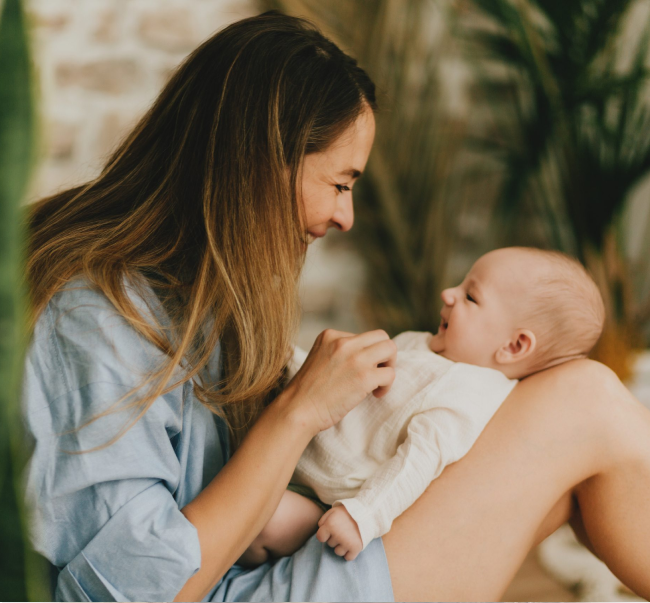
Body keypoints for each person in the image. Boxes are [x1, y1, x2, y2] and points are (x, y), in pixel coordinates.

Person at [20, 10, 650, 603]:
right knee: (586, 403)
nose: (345, 216)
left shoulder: (192, 290)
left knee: (575, 439)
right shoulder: (93, 316)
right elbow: (138, 591)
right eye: (341, 184)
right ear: (263, 164)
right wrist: (299, 411)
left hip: (267, 563)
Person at [240, 247, 605, 565]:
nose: (448, 293)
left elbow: (416, 463)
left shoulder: (469, 395)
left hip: (331, 502)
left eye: (471, 297)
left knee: (262, 523)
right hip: (299, 453)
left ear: (513, 346)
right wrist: (292, 363)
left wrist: (361, 516)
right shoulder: (424, 344)